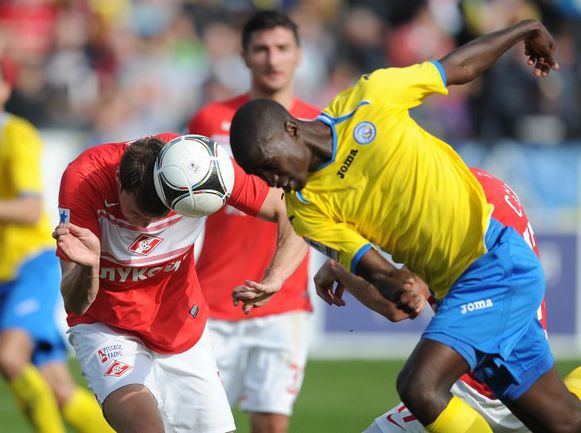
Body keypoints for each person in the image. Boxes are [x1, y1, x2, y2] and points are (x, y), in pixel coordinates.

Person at [228, 19, 581, 433]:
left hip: (494, 260)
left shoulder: (369, 99)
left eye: (269, 165)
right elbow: (373, 267)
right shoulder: (304, 209)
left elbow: (457, 67)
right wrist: (398, 285)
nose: (272, 181)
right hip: (458, 292)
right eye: (261, 175)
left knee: (419, 386)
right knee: (564, 422)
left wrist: (523, 30)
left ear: (291, 129)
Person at [53, 132, 308, 433]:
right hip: (106, 325)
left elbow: (294, 210)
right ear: (119, 179)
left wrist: (277, 275)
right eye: (137, 214)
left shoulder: (202, 168)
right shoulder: (84, 179)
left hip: (179, 324)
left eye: (158, 215)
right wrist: (89, 269)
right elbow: (75, 303)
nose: (146, 227)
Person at [314, 168, 545, 433]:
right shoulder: (487, 186)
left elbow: (398, 305)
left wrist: (340, 264)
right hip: (528, 372)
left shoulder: (450, 203)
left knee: (417, 387)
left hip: (479, 385)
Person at [187, 10, 319, 433]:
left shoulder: (318, 127)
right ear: (244, 56)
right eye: (261, 49)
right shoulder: (210, 121)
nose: (272, 59)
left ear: (299, 54)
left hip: (284, 303)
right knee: (201, 425)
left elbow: (328, 214)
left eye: (282, 48)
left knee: (271, 425)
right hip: (213, 300)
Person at [0, 68, 114, 433]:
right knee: (60, 390)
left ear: (5, 89)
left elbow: (31, 208)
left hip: (29, 265)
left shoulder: (15, 135)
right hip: (6, 276)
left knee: (9, 357)